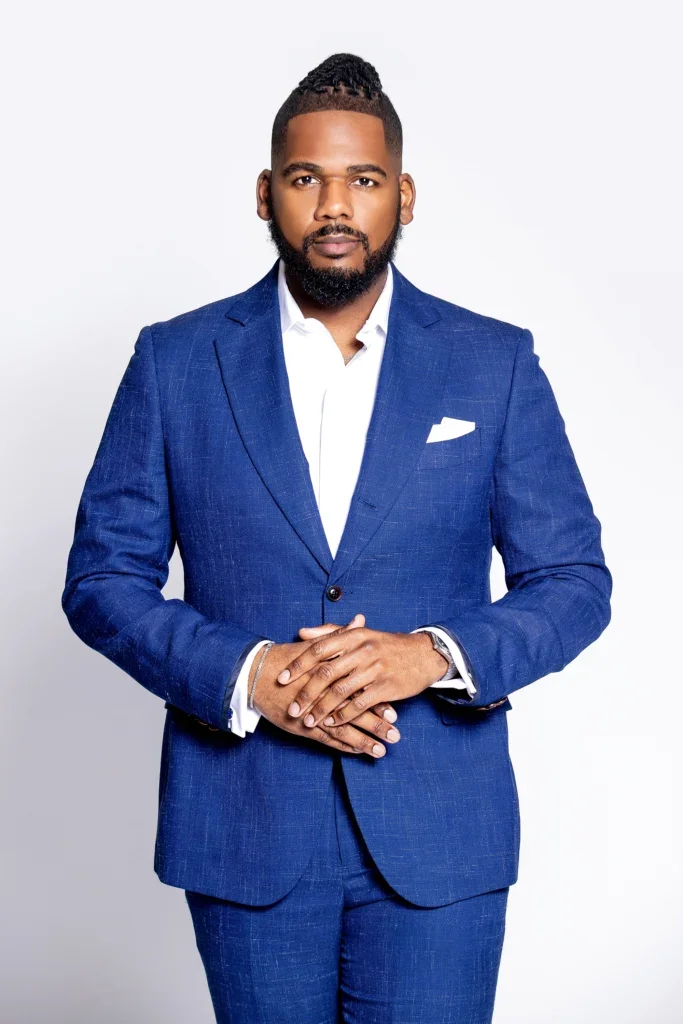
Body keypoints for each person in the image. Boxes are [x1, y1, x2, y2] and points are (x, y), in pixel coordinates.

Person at [61, 52, 612, 1024]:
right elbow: (103, 579)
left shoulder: (491, 365)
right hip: (245, 820)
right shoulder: (176, 361)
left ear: (401, 195)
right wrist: (250, 674)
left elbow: (571, 580)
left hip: (438, 825)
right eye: (307, 178)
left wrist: (427, 654)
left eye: (361, 180)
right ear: (266, 193)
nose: (333, 205)